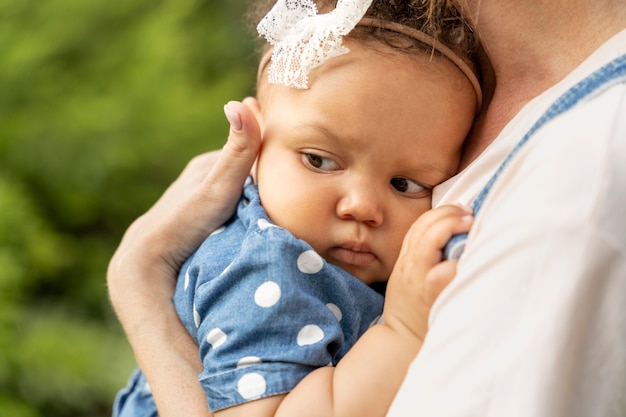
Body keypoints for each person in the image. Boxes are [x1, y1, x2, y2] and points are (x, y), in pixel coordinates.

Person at [108, 0, 626, 416]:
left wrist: (139, 277)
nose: (362, 206)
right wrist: (401, 331)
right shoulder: (265, 267)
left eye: (405, 183)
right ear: (252, 141)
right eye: (319, 160)